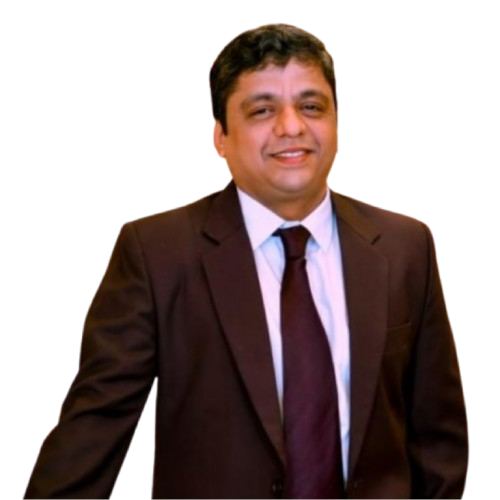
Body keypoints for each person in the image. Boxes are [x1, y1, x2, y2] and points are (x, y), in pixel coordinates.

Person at [24, 22, 469, 499]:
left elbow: (438, 437)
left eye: (311, 106)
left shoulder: (405, 246)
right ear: (220, 135)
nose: (292, 127)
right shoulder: (157, 252)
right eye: (262, 110)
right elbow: (95, 426)